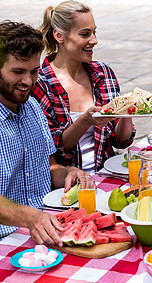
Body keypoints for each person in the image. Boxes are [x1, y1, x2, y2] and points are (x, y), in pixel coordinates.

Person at [0, 20, 88, 246]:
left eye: (34, 71)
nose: (28, 81)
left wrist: (69, 173)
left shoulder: (33, 107)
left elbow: (49, 167)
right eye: (18, 72)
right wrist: (30, 217)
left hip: (46, 226)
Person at [30, 1, 135, 173]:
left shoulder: (103, 74)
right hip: (65, 184)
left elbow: (120, 141)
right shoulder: (42, 83)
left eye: (94, 32)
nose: (94, 40)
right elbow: (52, 148)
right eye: (85, 34)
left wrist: (128, 111)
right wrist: (85, 121)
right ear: (59, 36)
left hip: (107, 175)